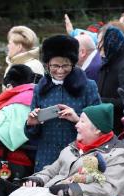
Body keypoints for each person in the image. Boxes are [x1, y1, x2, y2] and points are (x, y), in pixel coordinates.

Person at [25, 34, 101, 173]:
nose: (60, 71)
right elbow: (32, 136)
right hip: (46, 160)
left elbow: (100, 128)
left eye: (65, 65)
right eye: (55, 66)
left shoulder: (88, 87)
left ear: (73, 63)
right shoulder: (40, 89)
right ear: (47, 65)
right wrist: (31, 123)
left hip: (78, 160)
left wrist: (77, 119)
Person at [97, 26, 124, 135]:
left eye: (101, 43)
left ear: (110, 43)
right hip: (104, 121)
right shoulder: (107, 63)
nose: (98, 47)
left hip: (116, 126)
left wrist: (99, 101)